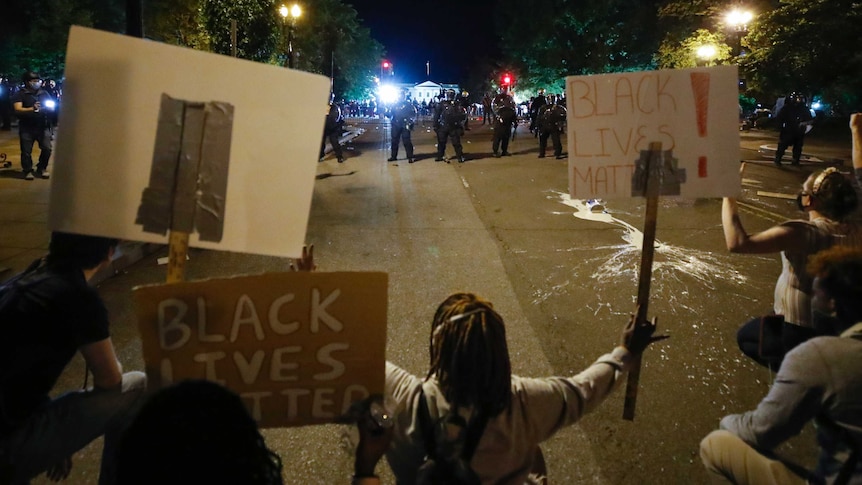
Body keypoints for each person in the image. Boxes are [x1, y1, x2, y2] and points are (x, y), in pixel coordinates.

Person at [383, 292, 667, 483]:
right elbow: (583, 391)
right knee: (534, 457)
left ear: (438, 346)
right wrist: (625, 351)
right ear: (499, 349)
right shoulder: (525, 402)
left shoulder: (402, 396)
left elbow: (351, 357)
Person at [700, 245, 862, 484]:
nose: (811, 297)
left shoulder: (821, 355)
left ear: (833, 304)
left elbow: (759, 431)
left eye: (815, 293)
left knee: (716, 445)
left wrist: (726, 421)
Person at [0, 231, 147, 484]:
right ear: (109, 253)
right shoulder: (78, 297)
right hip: (8, 447)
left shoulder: (22, 281)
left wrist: (59, 438)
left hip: (11, 422)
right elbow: (111, 381)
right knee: (137, 386)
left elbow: (18, 374)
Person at [723, 163, 862, 369]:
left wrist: (728, 195)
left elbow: (737, 242)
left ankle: (794, 368)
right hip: (841, 322)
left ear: (809, 201)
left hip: (800, 327)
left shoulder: (803, 232)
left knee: (747, 336)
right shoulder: (857, 231)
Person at [11, 71, 55, 180]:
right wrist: (32, 109)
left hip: (43, 126)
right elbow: (18, 109)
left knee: (47, 148)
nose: (37, 83)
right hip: (27, 127)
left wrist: (50, 109)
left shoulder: (44, 93)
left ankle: (42, 168)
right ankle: (27, 170)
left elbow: (52, 105)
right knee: (26, 152)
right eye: (34, 81)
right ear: (27, 82)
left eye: (38, 81)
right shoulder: (20, 94)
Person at [773, 92, 814, 166]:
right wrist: (780, 127)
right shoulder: (787, 108)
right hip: (788, 130)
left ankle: (795, 160)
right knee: (783, 145)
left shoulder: (804, 109)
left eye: (800, 98)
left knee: (798, 147)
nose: (799, 100)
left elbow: (810, 119)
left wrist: (804, 124)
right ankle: (778, 158)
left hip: (799, 131)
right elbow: (780, 118)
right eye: (797, 98)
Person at [433, 89, 467, 163]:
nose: (450, 96)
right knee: (441, 142)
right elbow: (437, 115)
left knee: (456, 143)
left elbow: (462, 115)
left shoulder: (457, 104)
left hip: (454, 126)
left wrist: (461, 125)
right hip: (443, 125)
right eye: (448, 94)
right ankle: (440, 155)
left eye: (451, 94)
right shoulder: (442, 104)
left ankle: (460, 156)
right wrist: (435, 125)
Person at [388, 90, 417, 163]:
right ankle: (393, 156)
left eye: (402, 95)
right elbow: (390, 113)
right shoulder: (394, 104)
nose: (401, 96)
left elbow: (414, 114)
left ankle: (410, 156)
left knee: (407, 141)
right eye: (400, 95)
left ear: (404, 96)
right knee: (394, 141)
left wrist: (410, 122)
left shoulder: (409, 104)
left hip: (405, 125)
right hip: (396, 125)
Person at [536, 93, 566, 159]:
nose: (550, 100)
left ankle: (557, 153)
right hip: (545, 125)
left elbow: (563, 116)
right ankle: (542, 152)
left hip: (553, 125)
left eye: (552, 98)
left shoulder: (558, 108)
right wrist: (538, 125)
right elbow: (539, 117)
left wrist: (560, 124)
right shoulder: (543, 108)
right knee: (543, 140)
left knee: (556, 140)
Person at [491, 85, 517, 157]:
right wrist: (499, 116)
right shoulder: (497, 98)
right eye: (503, 89)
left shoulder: (510, 98)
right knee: (497, 136)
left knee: (506, 136)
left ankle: (504, 151)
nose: (505, 90)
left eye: (506, 89)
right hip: (500, 120)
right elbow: (494, 108)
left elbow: (513, 107)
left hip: (508, 120)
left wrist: (514, 120)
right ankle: (495, 151)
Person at [320, 95, 345, 164]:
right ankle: (320, 156)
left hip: (333, 128)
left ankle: (339, 157)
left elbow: (336, 118)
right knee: (321, 143)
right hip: (325, 127)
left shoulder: (335, 107)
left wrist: (333, 127)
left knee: (334, 142)